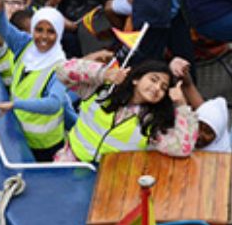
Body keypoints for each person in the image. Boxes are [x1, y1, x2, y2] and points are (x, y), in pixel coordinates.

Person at [0, 0, 75, 161]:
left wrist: (15, 105)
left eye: (51, 32)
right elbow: (2, 27)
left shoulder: (61, 66)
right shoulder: (24, 43)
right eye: (39, 30)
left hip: (45, 144)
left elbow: (54, 104)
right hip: (18, 129)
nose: (43, 37)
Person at [55, 59, 198, 163]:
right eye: (153, 80)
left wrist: (181, 104)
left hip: (110, 182)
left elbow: (182, 149)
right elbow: (61, 70)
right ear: (136, 79)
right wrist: (103, 73)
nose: (157, 88)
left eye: (163, 88)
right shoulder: (99, 91)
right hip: (70, 164)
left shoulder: (152, 122)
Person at [169, 57, 231, 153]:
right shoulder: (203, 113)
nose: (199, 135)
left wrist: (181, 104)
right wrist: (181, 70)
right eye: (197, 125)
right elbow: (188, 85)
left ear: (219, 134)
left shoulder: (221, 155)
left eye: (208, 132)